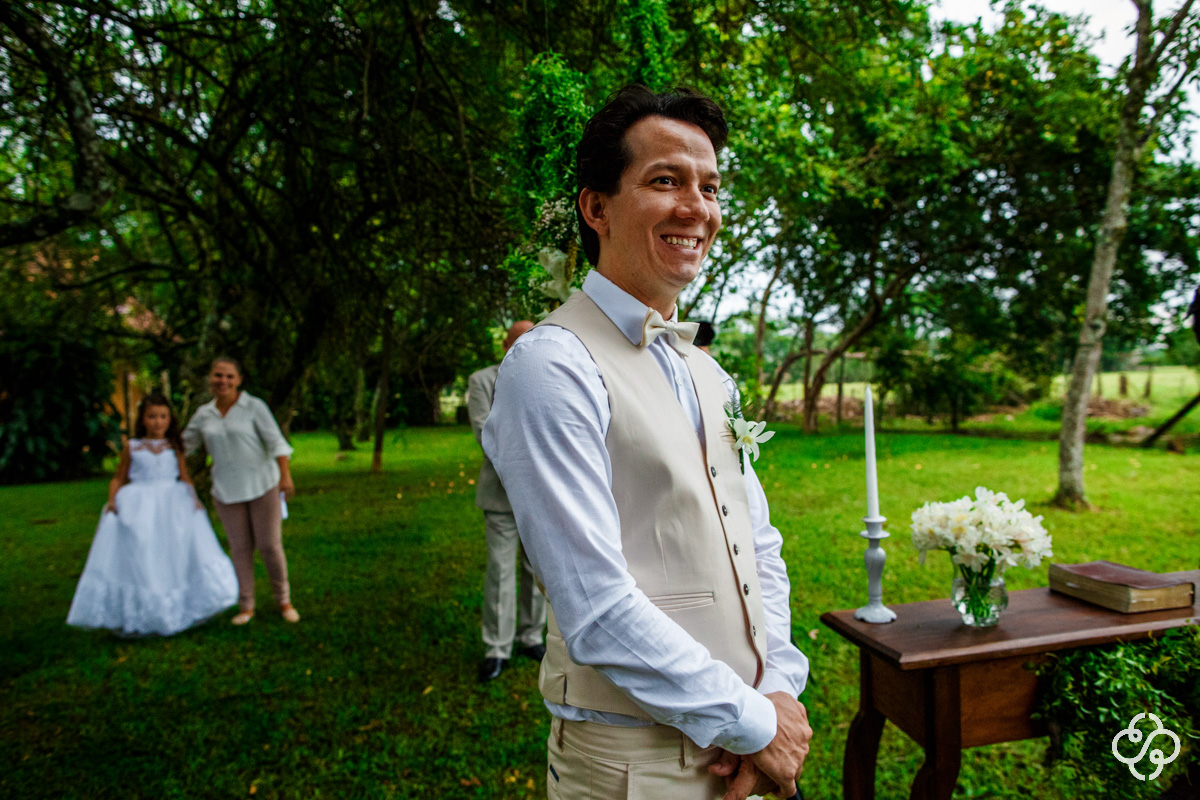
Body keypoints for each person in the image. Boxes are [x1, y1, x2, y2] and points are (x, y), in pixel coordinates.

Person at [483, 86, 812, 800]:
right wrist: (755, 724)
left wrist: (777, 692)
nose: (697, 208)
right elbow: (596, 606)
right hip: (633, 765)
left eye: (710, 187)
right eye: (666, 181)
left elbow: (758, 545)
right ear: (596, 208)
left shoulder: (708, 371)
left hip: (740, 741)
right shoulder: (551, 365)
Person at [67, 394, 238, 635]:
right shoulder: (132, 447)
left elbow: (184, 476)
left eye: (163, 417)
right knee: (143, 551)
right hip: (140, 505)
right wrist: (112, 500)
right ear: (143, 420)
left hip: (173, 504)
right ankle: (145, 609)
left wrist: (193, 499)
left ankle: (178, 607)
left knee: (174, 552)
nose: (158, 422)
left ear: (170, 419)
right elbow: (119, 477)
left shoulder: (174, 446)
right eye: (152, 417)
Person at [182, 357, 299, 625]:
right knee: (240, 549)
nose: (223, 381)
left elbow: (277, 443)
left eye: (229, 376)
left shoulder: (254, 407)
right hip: (226, 491)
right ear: (210, 378)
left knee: (269, 546)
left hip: (262, 485)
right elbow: (183, 445)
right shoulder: (204, 414)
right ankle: (246, 605)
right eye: (218, 375)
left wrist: (285, 476)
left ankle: (284, 601)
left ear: (239, 380)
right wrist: (147, 447)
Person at [468, 320, 548, 682]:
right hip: (500, 494)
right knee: (500, 572)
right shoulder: (482, 380)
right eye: (518, 340)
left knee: (537, 571)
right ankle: (497, 649)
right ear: (504, 345)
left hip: (541, 495)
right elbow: (486, 432)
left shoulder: (547, 375)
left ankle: (531, 637)